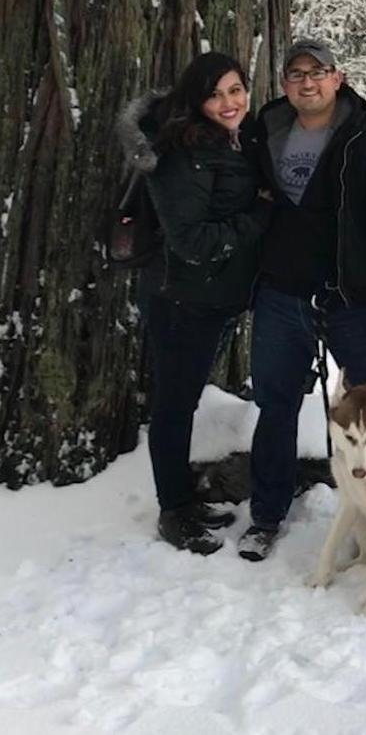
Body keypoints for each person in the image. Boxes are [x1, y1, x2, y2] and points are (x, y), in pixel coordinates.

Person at [237, 38, 366, 562]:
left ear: (338, 78)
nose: (307, 82)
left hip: (354, 301)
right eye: (296, 74)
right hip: (281, 297)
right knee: (275, 406)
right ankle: (267, 515)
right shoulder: (263, 134)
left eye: (318, 72)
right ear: (284, 84)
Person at [120, 52, 273, 555]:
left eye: (236, 90)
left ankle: (182, 499)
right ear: (196, 99)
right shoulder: (184, 152)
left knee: (179, 399)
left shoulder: (228, 139)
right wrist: (260, 217)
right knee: (175, 405)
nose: (230, 103)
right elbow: (191, 240)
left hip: (207, 297)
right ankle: (173, 510)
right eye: (216, 94)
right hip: (181, 298)